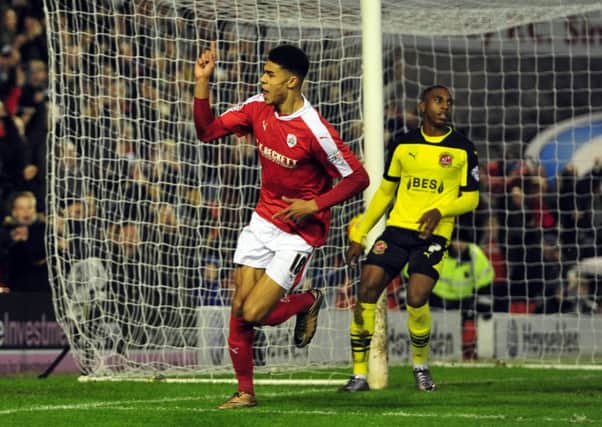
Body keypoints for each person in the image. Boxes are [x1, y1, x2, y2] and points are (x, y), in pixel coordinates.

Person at [193, 41, 369, 408]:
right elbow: (206, 131)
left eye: (270, 75)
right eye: (264, 72)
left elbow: (358, 178)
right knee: (239, 308)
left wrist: (314, 204)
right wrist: (202, 83)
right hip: (262, 221)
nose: (262, 80)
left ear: (291, 82)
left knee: (256, 314)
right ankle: (245, 392)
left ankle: (308, 301)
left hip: (299, 233)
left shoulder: (314, 130)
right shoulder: (257, 108)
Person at [341, 85, 480, 392]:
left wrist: (439, 209)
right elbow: (385, 193)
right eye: (438, 100)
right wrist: (359, 233)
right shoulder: (404, 145)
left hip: (432, 236)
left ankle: (421, 367)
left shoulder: (463, 148)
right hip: (397, 230)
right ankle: (359, 375)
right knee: (367, 287)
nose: (445, 106)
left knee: (416, 297)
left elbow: (471, 199)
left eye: (448, 102)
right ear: (422, 106)